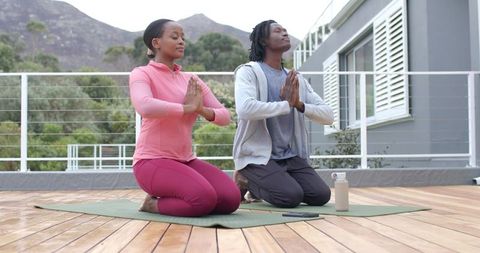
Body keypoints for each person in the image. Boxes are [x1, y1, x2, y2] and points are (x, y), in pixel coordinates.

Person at [129, 19, 240, 217]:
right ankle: (152, 205)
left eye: (183, 38)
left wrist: (200, 110)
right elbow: (144, 106)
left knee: (231, 199)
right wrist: (186, 108)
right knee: (203, 199)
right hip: (151, 162)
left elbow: (225, 116)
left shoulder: (191, 79)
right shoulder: (142, 73)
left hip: (185, 161)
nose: (181, 41)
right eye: (174, 37)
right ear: (156, 43)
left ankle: (189, 197)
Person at [233, 20, 334, 208]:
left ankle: (269, 181)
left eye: (285, 30)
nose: (285, 33)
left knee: (320, 195)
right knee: (290, 197)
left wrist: (299, 104)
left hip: (288, 156)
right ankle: (247, 179)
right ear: (263, 40)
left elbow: (328, 116)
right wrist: (286, 104)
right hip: (257, 155)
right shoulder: (248, 72)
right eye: (278, 31)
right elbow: (245, 109)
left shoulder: (296, 79)